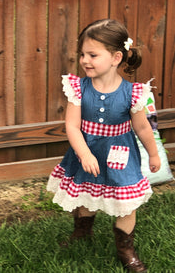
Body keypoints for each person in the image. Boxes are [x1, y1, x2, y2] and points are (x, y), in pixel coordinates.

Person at [47, 19, 161, 272]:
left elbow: (143, 127)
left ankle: (125, 249)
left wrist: (153, 154)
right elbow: (72, 126)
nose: (85, 60)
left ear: (115, 57)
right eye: (82, 54)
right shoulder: (77, 88)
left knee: (126, 202)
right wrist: (84, 153)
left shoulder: (133, 93)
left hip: (120, 155)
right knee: (87, 193)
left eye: (92, 54)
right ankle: (82, 233)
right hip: (87, 153)